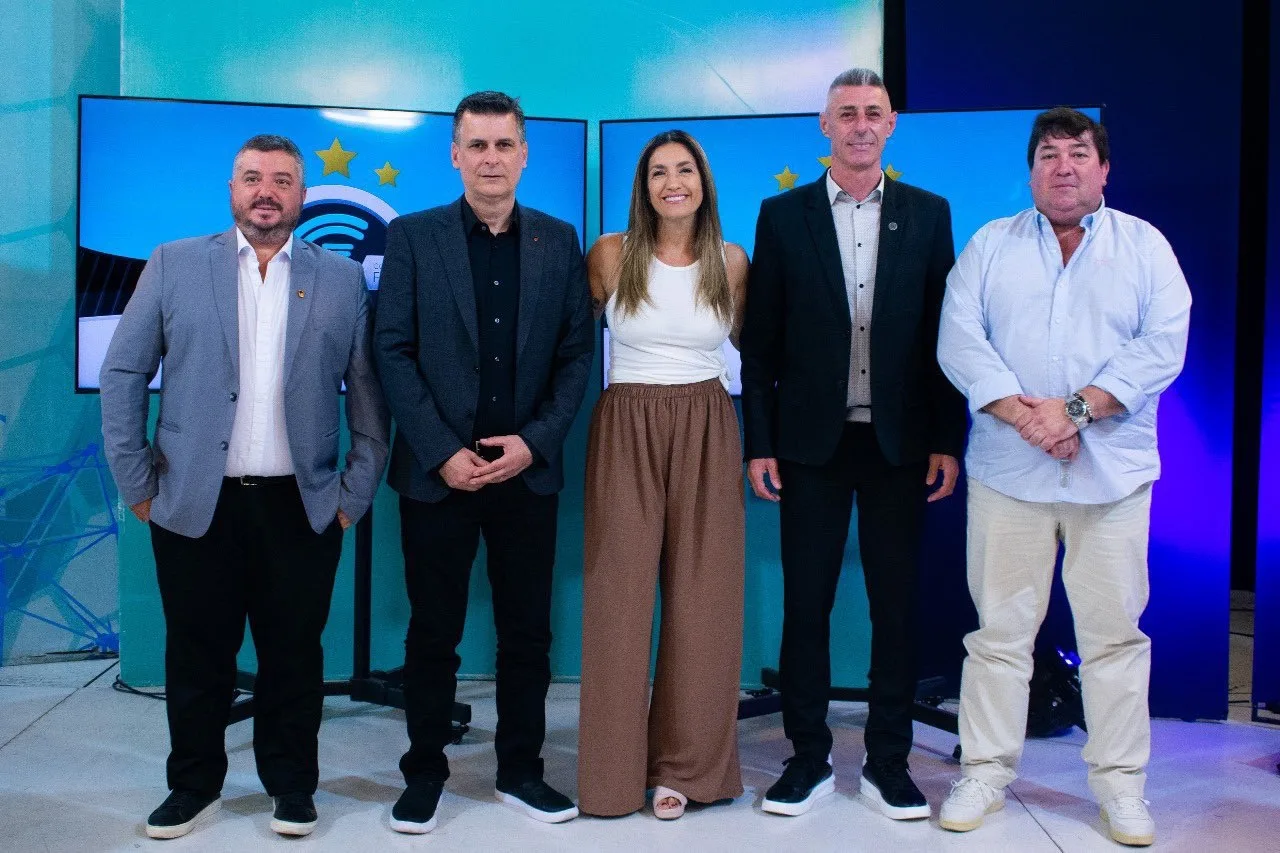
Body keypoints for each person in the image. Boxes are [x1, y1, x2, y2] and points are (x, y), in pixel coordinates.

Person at [99, 134, 389, 840]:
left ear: (301, 196)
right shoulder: (174, 263)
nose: (266, 191)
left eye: (282, 180)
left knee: (295, 656)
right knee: (197, 656)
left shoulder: (341, 279)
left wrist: (352, 495)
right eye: (253, 177)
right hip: (193, 503)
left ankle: (292, 787)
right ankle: (193, 787)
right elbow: (123, 372)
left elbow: (369, 399)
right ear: (232, 190)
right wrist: (138, 483)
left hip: (303, 506)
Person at [936, 107, 1190, 847]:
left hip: (1111, 478)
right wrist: (1030, 419)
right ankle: (984, 771)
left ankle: (1121, 787)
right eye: (1048, 154)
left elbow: (1162, 346)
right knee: (998, 635)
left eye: (1079, 153)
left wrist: (1074, 411)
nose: (1063, 166)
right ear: (1031, 172)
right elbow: (960, 341)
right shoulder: (991, 245)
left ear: (1103, 168)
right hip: (1009, 473)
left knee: (1114, 639)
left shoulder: (1145, 247)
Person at [739, 68, 968, 820]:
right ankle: (806, 759)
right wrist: (759, 443)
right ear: (825, 126)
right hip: (811, 446)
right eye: (847, 113)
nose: (861, 125)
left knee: (894, 609)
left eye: (873, 112)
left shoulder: (929, 214)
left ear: (891, 124)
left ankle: (888, 761)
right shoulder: (783, 215)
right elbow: (761, 344)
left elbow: (944, 340)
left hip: (900, 446)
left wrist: (947, 438)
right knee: (806, 606)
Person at [373, 90, 594, 833]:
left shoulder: (559, 241)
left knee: (527, 633)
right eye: (477, 145)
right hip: (438, 476)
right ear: (455, 155)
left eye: (504, 145)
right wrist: (441, 451)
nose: (490, 159)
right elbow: (391, 349)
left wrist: (535, 441)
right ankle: (424, 773)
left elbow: (576, 356)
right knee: (432, 632)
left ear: (524, 154)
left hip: (526, 473)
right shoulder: (412, 236)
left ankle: (521, 771)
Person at [576, 130, 749, 820]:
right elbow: (566, 342)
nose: (672, 182)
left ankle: (686, 768)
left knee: (703, 601)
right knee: (617, 602)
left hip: (707, 424)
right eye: (658, 172)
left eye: (684, 170)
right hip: (626, 425)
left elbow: (760, 352)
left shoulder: (731, 261)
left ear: (704, 182)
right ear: (642, 187)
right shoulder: (610, 254)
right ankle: (613, 775)